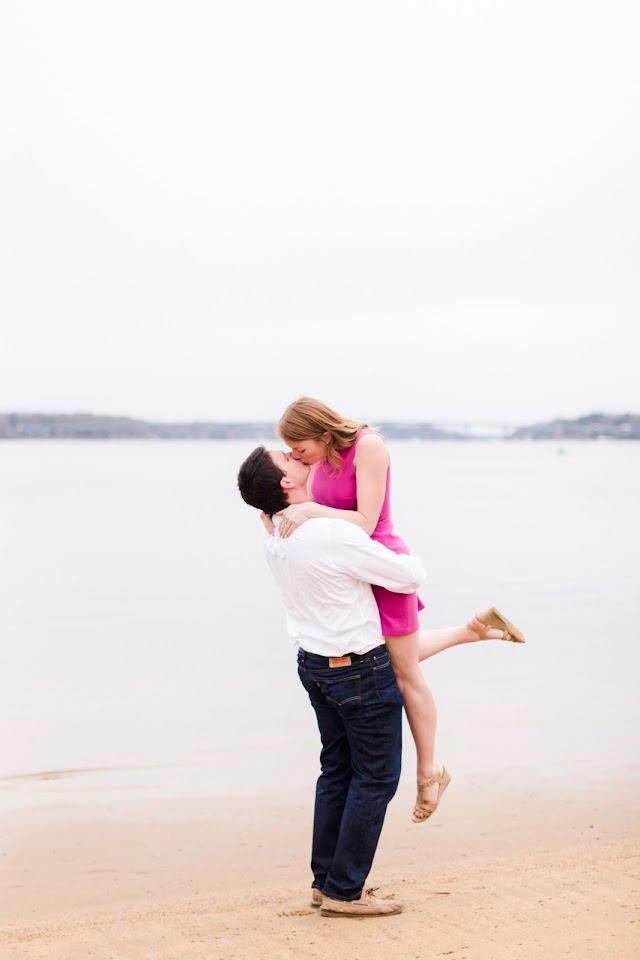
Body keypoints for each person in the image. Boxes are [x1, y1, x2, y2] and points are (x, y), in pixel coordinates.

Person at [271, 397, 525, 824]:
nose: (296, 457)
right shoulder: (317, 458)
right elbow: (297, 498)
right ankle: (474, 629)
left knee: (404, 674)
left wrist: (310, 509)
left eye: (299, 448)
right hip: (349, 569)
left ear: (324, 433)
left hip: (381, 563)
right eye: (290, 452)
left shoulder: (369, 446)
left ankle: (431, 770)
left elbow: (367, 521)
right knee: (382, 658)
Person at [237, 443, 429, 918]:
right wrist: (380, 534)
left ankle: (327, 882)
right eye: (285, 457)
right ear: (287, 483)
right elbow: (409, 577)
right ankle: (345, 891)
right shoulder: (326, 534)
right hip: (358, 669)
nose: (293, 453)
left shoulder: (274, 533)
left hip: (315, 666)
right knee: (377, 778)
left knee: (338, 773)